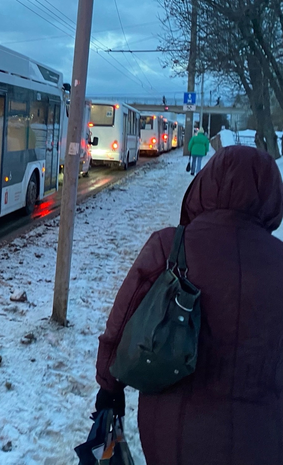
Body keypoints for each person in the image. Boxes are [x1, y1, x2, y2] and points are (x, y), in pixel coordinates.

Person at [94, 146, 283, 464]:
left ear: (205, 184)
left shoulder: (170, 246)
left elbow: (122, 324)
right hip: (264, 434)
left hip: (172, 430)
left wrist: (109, 387)